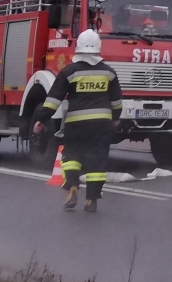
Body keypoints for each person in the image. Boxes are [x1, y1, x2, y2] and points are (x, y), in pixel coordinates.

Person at [33, 28, 122, 212]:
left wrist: (41, 120)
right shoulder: (109, 73)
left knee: (72, 155)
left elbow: (53, 99)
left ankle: (72, 186)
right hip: (101, 124)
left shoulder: (69, 71)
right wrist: (115, 118)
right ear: (99, 47)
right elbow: (117, 101)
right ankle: (91, 200)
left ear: (78, 47)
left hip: (76, 124)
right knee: (97, 160)